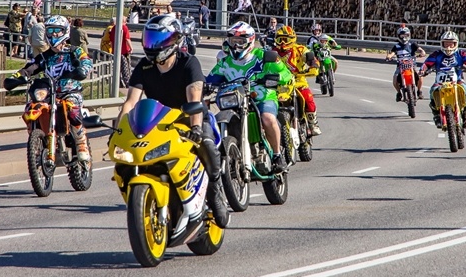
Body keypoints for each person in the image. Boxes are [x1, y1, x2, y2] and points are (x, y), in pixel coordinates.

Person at [116, 15, 229, 228]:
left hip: (188, 118)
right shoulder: (143, 66)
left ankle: (215, 193)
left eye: (158, 40)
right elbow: (130, 102)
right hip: (158, 122)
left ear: (173, 41)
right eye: (149, 40)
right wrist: (119, 130)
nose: (153, 45)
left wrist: (195, 127)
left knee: (206, 144)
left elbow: (194, 97)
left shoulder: (188, 63)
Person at [206, 21, 293, 172]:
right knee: (215, 118)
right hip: (235, 99)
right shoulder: (225, 63)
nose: (236, 46)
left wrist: (275, 78)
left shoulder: (263, 56)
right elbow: (211, 79)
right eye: (233, 41)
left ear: (250, 41)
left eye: (241, 42)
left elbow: (286, 74)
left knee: (267, 118)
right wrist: (202, 86)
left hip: (262, 96)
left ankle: (277, 155)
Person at [5, 15, 94, 162]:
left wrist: (81, 70)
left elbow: (86, 61)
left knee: (72, 110)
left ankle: (81, 143)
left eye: (57, 31)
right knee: (30, 108)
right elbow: (29, 68)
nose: (53, 34)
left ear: (65, 32)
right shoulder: (44, 57)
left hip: (70, 91)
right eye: (50, 30)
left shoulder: (74, 51)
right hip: (49, 93)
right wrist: (16, 77)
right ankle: (38, 141)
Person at [419, 31, 466, 129]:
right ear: (442, 43)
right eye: (446, 43)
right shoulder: (436, 54)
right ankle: (437, 115)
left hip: (457, 80)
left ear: (456, 43)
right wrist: (422, 71)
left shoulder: (460, 53)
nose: (449, 46)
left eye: (451, 43)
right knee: (432, 91)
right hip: (440, 82)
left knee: (464, 88)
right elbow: (426, 64)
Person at [273, 25, 322, 136]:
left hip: (298, 80)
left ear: (292, 39)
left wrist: (313, 65)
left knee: (308, 98)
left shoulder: (300, 49)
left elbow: (310, 58)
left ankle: (313, 123)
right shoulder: (272, 52)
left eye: (286, 39)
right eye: (280, 39)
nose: (282, 43)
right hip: (279, 83)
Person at [385, 26, 426, 102]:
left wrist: (422, 52)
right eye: (402, 36)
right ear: (399, 36)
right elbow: (392, 53)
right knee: (395, 80)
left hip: (412, 66)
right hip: (400, 66)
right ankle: (399, 93)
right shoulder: (396, 46)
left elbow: (420, 50)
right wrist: (389, 56)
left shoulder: (412, 44)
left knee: (420, 76)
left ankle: (419, 91)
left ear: (409, 35)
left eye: (406, 35)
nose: (404, 38)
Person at [110, 16, 133, 87]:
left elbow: (111, 39)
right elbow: (127, 39)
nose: (126, 23)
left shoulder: (114, 28)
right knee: (126, 68)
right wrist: (131, 48)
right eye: (126, 21)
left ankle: (119, 83)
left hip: (115, 51)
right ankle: (128, 83)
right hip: (124, 51)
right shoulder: (124, 28)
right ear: (123, 21)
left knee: (118, 68)